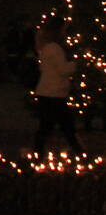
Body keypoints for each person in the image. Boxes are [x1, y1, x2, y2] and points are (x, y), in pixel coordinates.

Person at [34, 14, 80, 158]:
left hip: (48, 91)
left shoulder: (46, 48)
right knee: (64, 125)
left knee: (48, 125)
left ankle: (39, 152)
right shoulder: (54, 49)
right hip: (54, 92)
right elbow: (63, 70)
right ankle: (78, 151)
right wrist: (75, 64)